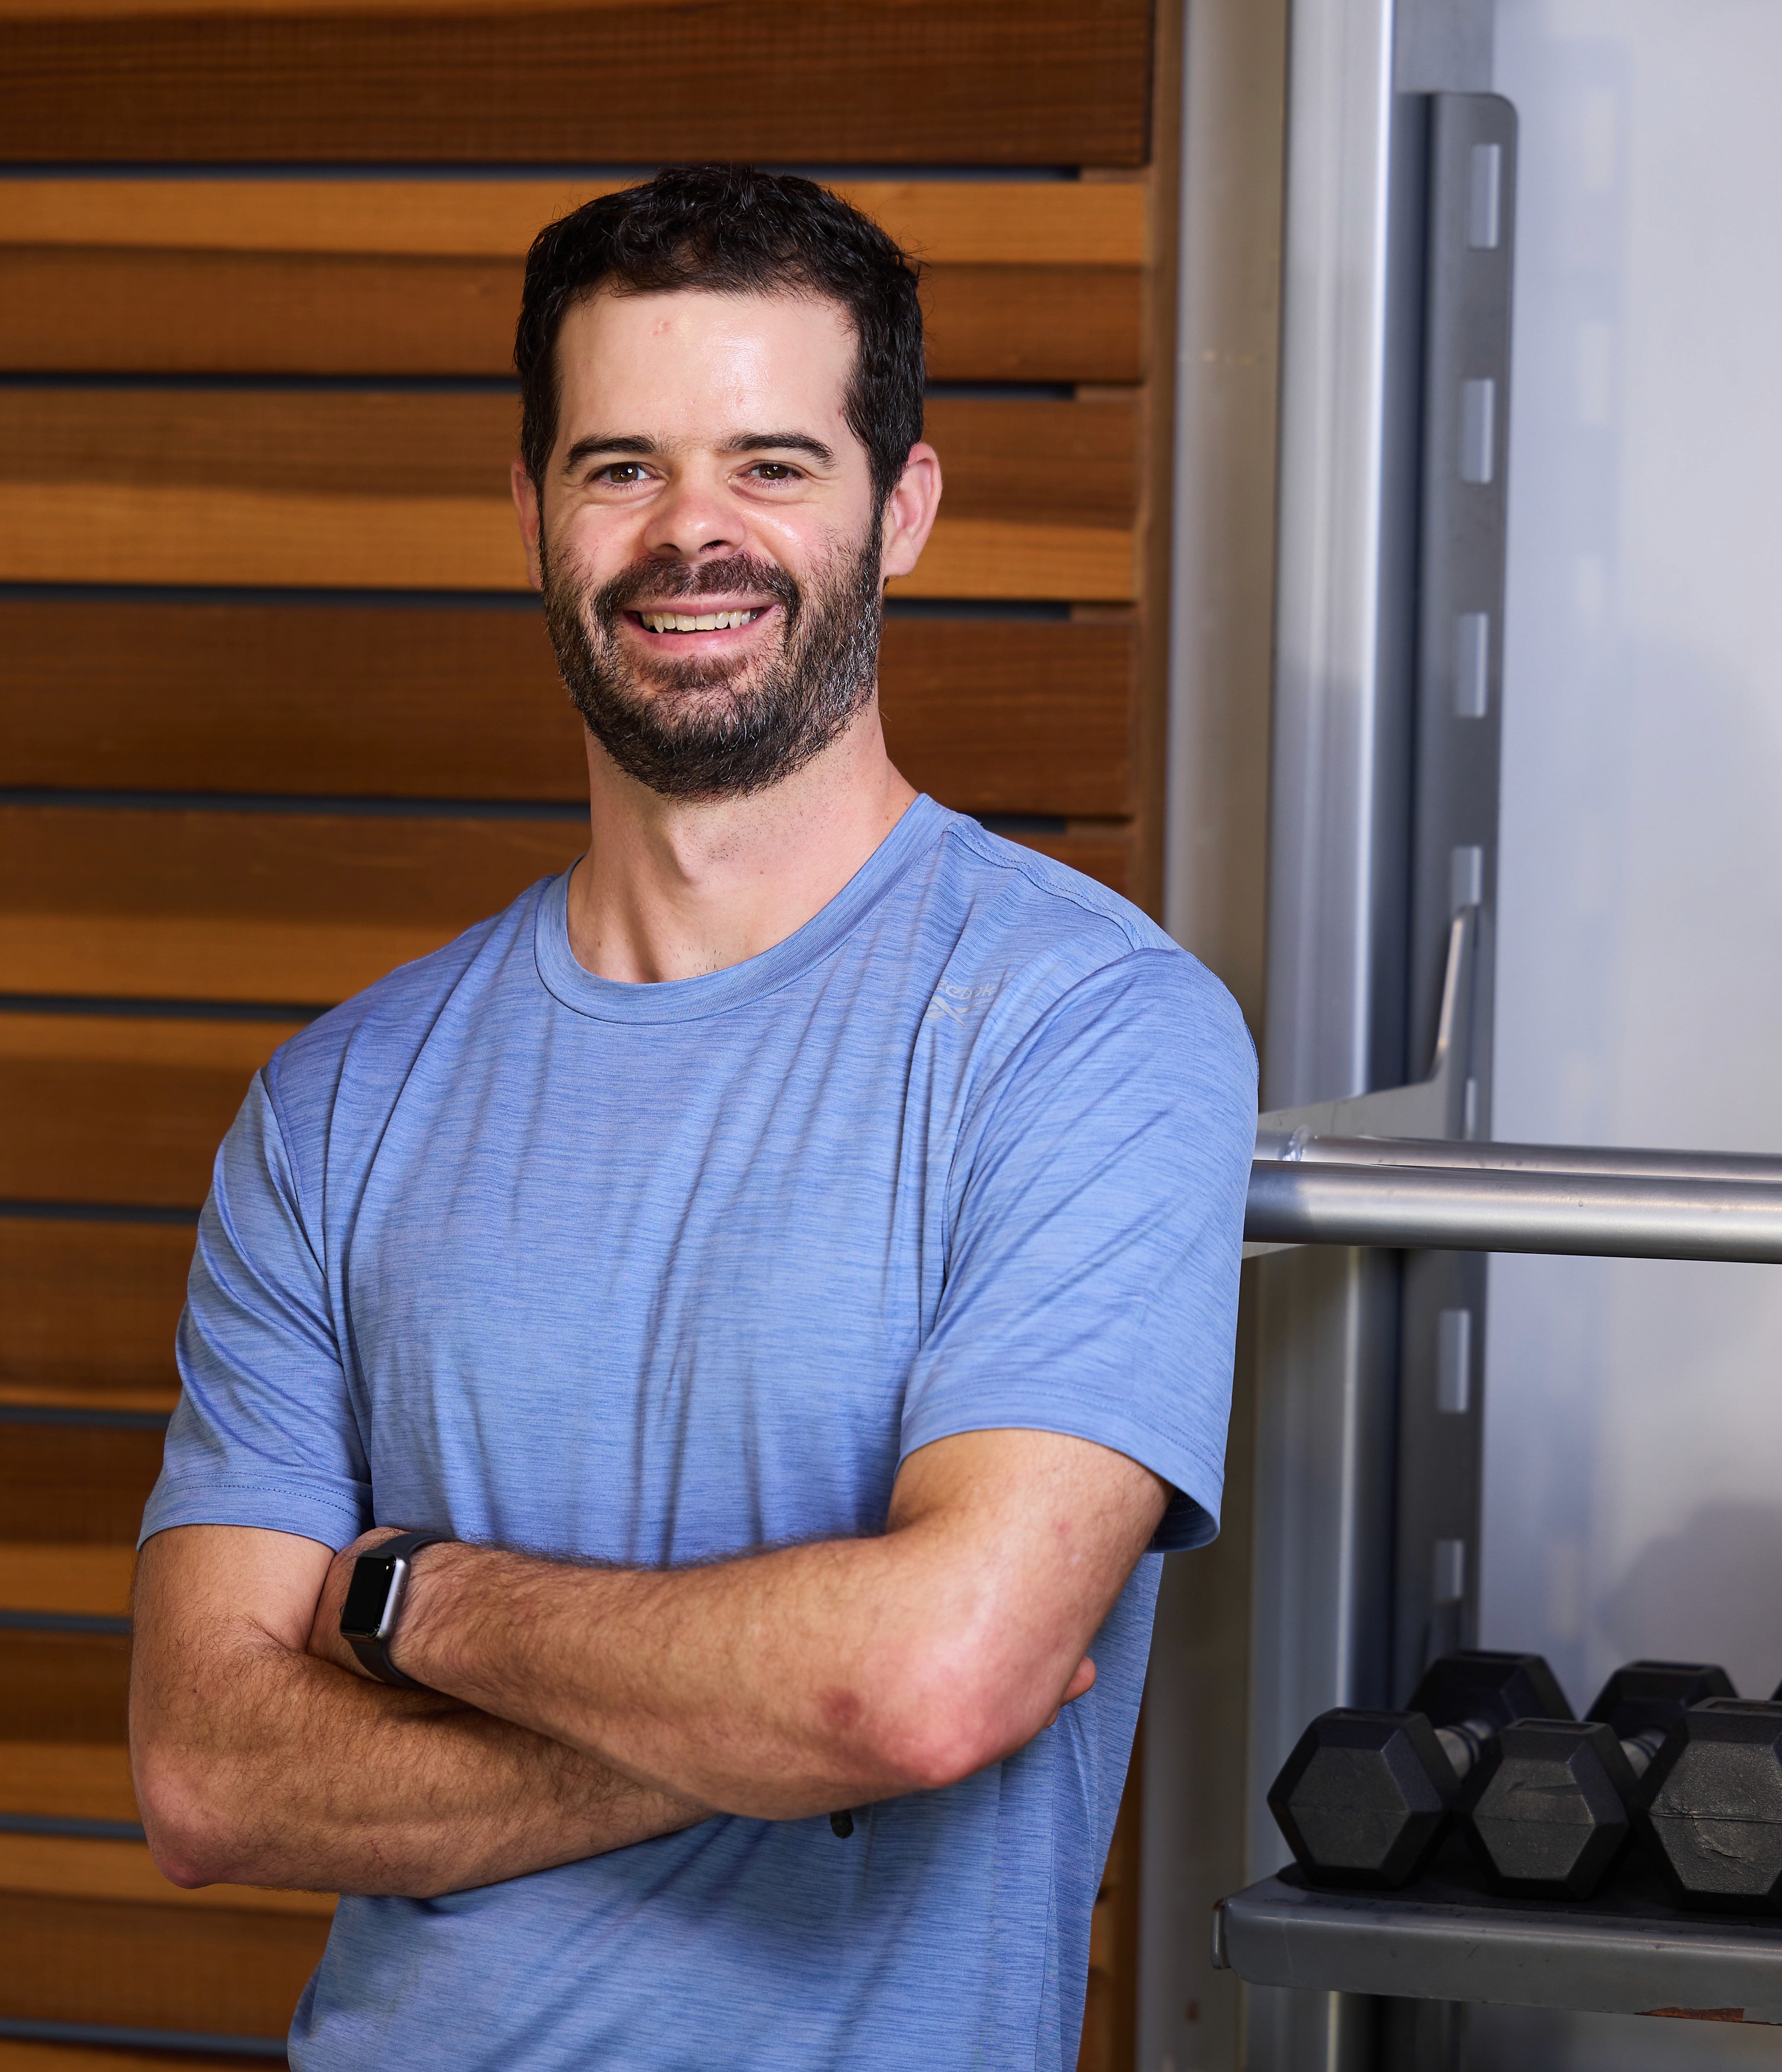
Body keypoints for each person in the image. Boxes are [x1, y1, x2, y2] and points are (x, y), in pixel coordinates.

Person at [129, 165, 1256, 2072]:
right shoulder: (338, 1103)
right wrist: (770, 1721)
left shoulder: (1086, 1031)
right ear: (530, 511)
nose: (692, 535)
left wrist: (412, 1598)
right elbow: (208, 1771)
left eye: (774, 464)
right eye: (622, 467)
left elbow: (929, 1683)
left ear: (902, 503)